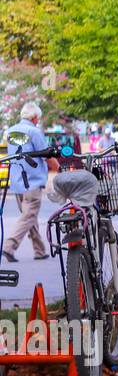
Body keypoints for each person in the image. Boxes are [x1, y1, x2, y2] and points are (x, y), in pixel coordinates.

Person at [2, 102, 51, 262]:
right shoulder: (34, 131)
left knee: (30, 216)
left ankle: (39, 250)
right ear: (35, 117)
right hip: (33, 182)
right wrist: (60, 168)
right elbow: (46, 154)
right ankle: (9, 246)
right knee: (28, 216)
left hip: (17, 182)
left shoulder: (11, 131)